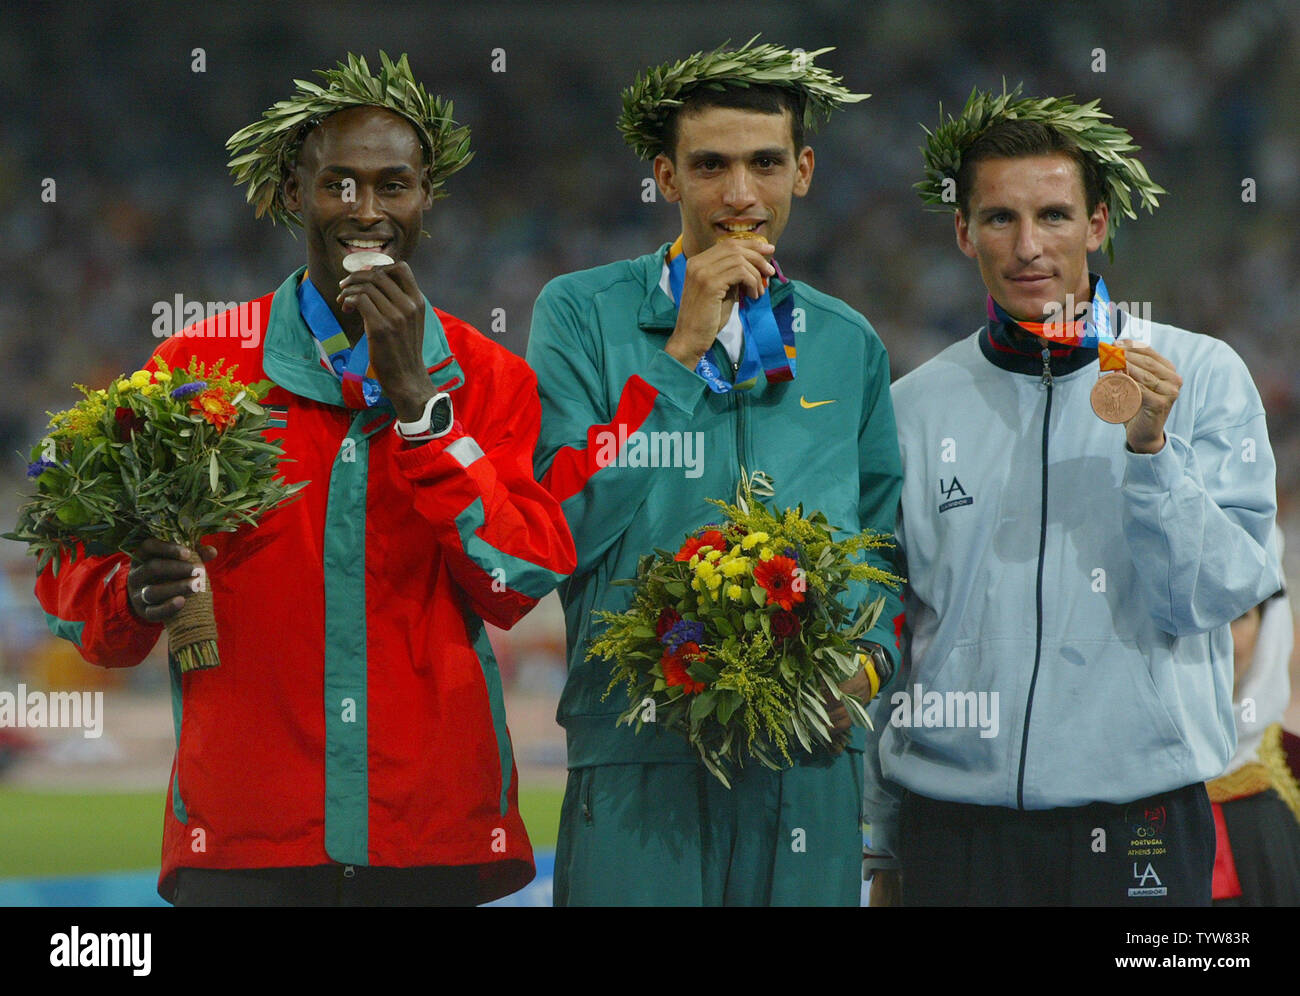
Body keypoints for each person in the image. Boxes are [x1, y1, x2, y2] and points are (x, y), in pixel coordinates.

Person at [33, 52, 575, 906]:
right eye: (339, 185)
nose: (367, 211)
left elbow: (519, 578)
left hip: (432, 836)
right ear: (295, 194)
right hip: (246, 840)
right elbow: (72, 582)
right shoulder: (196, 368)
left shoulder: (489, 378)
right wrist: (131, 595)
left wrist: (419, 411)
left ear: (426, 197)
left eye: (393, 185)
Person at [865, 85, 1283, 906]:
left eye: (1054, 216)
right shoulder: (913, 407)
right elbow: (895, 637)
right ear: (962, 231)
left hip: (1142, 822)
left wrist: (1151, 453)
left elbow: (1220, 593)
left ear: (1097, 225)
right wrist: (882, 849)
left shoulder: (1200, 376)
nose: (1029, 247)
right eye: (999, 219)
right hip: (954, 827)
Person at [526, 38, 901, 906]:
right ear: (665, 177)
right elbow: (558, 526)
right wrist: (679, 354)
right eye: (711, 166)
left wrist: (870, 666)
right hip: (637, 744)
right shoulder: (580, 316)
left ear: (803, 170)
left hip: (808, 752)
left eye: (766, 163)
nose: (741, 195)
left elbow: (888, 544)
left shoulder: (847, 345)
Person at [1208, 528, 1300, 905]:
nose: (1216, 643)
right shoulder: (1112, 776)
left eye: (1238, 617)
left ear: (1268, 629)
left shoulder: (1293, 764)